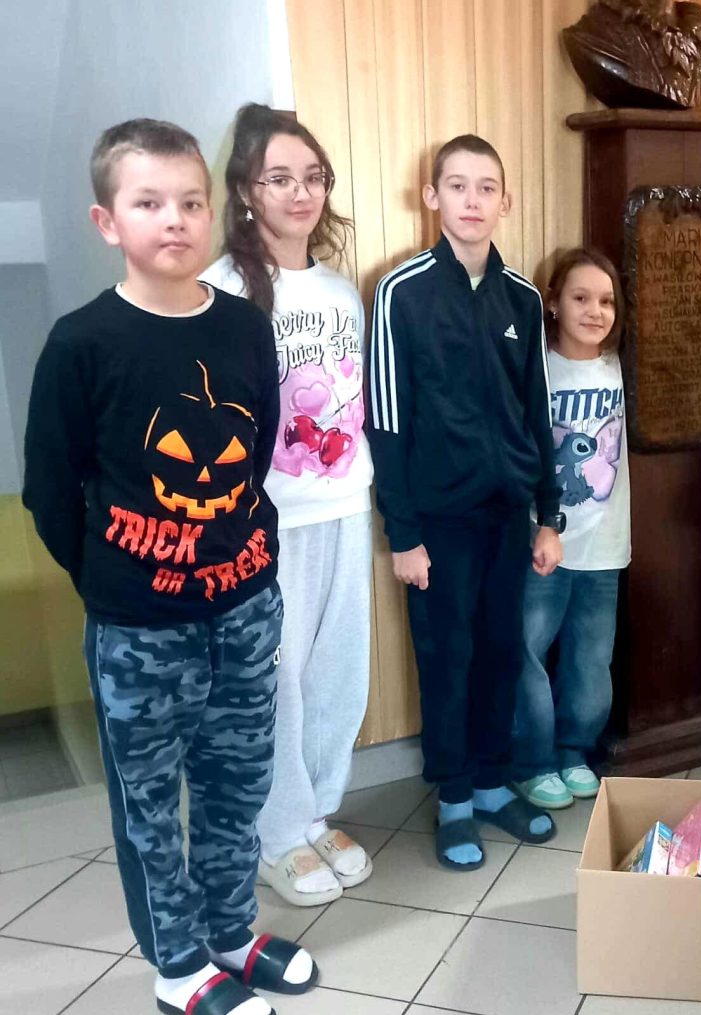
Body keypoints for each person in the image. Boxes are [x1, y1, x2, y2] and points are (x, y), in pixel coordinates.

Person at [22, 118, 317, 1015]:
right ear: (108, 221)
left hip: (245, 608)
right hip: (140, 628)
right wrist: (114, 582)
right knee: (151, 804)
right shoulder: (82, 343)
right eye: (148, 202)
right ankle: (179, 963)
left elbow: (254, 451)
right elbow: (50, 489)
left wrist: (247, 567)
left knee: (238, 784)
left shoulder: (244, 328)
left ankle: (230, 930)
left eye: (191, 201)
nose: (175, 219)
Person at [367, 134, 563, 871]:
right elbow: (386, 421)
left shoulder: (523, 300)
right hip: (437, 522)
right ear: (432, 197)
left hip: (508, 515)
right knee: (447, 656)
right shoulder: (402, 291)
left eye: (486, 188)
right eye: (457, 185)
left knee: (502, 650)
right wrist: (403, 533)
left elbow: (536, 412)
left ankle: (489, 782)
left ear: (505, 201)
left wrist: (549, 514)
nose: (472, 200)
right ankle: (453, 797)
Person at [203, 103, 375, 906]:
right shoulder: (220, 291)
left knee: (338, 672)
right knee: (276, 681)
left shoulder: (341, 292)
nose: (300, 192)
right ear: (246, 190)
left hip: (345, 504)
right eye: (279, 178)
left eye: (313, 177)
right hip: (265, 523)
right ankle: (275, 832)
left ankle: (315, 812)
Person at [511, 248, 630, 810]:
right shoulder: (534, 365)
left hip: (605, 542)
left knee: (590, 657)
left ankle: (572, 750)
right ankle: (531, 760)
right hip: (544, 541)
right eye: (581, 298)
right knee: (527, 650)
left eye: (606, 301)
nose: (594, 311)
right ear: (553, 303)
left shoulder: (620, 366)